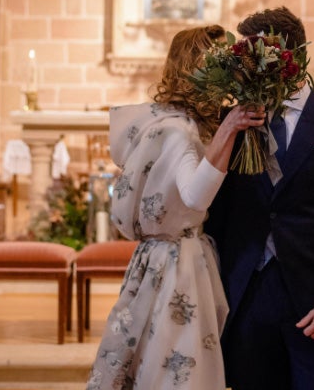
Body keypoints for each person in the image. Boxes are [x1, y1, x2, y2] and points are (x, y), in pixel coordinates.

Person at [86, 25, 265, 390]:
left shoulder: (181, 123)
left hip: (180, 258)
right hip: (175, 266)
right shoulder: (178, 131)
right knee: (177, 368)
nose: (230, 73)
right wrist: (229, 129)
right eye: (222, 64)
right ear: (198, 68)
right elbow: (196, 197)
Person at [206, 7, 314, 390]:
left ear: (288, 57)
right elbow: (218, 214)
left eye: (253, 56)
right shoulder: (232, 121)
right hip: (247, 293)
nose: (245, 66)